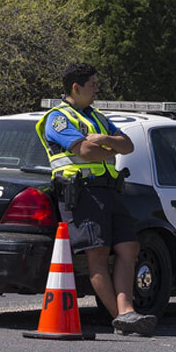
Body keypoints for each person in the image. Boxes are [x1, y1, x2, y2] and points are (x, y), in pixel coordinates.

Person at [34, 63, 157, 336]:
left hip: (110, 191)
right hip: (83, 192)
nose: (96, 89)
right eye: (92, 84)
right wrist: (108, 147)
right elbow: (86, 151)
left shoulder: (97, 118)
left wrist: (103, 139)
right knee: (98, 254)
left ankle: (128, 312)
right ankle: (121, 317)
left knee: (129, 247)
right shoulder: (58, 118)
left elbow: (128, 145)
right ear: (75, 88)